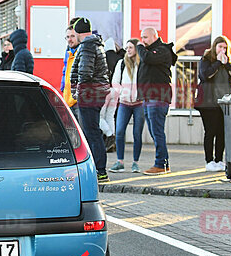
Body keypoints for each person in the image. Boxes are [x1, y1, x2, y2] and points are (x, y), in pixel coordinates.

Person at [70, 17, 110, 183]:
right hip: (97, 93)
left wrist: (78, 92)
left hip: (89, 94)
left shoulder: (86, 46)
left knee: (90, 133)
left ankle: (99, 171)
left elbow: (85, 73)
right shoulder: (96, 44)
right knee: (92, 131)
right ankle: (98, 169)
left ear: (78, 33)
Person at [196, 36, 231, 171]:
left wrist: (227, 65)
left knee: (222, 132)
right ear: (214, 47)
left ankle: (218, 160)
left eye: (225, 48)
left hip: (224, 102)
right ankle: (209, 161)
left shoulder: (227, 62)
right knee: (210, 132)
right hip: (208, 102)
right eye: (220, 47)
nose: (223, 50)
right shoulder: (206, 60)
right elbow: (204, 75)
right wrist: (217, 63)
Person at [136, 27, 177, 175]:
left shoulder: (162, 51)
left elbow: (148, 58)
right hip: (148, 97)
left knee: (157, 131)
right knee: (155, 132)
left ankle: (160, 164)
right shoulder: (149, 52)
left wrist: (139, 47)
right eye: (141, 37)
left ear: (154, 36)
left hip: (158, 97)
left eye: (145, 37)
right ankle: (163, 164)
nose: (142, 41)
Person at [108, 38, 144, 173]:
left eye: (130, 47)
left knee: (137, 134)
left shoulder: (142, 64)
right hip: (124, 103)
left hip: (139, 104)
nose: (128, 50)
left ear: (136, 49)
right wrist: (122, 93)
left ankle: (135, 163)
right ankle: (120, 162)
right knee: (120, 132)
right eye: (127, 47)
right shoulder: (121, 63)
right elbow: (115, 82)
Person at [60, 23, 80, 116]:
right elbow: (65, 71)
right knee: (71, 129)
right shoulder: (68, 52)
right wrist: (63, 87)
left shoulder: (81, 52)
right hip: (68, 97)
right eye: (67, 37)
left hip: (78, 100)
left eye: (72, 36)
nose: (69, 39)